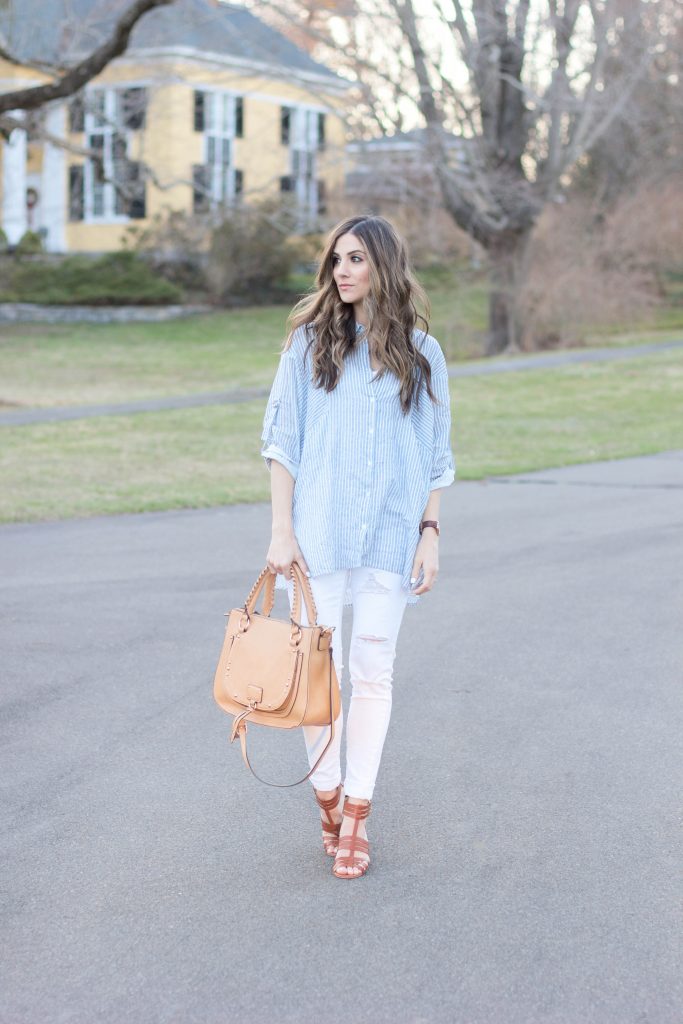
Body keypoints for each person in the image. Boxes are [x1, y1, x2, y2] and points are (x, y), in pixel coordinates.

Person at [262, 214, 455, 879]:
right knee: (319, 676)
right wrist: (280, 530)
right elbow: (281, 443)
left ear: (384, 267)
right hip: (315, 539)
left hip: (392, 536)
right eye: (336, 259)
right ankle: (327, 794)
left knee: (372, 674)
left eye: (356, 259)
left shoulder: (423, 353)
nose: (342, 270)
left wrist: (429, 533)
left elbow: (435, 455)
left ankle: (358, 813)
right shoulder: (308, 344)